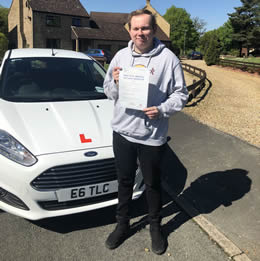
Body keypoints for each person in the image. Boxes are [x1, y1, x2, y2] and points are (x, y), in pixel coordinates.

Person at [103, 8, 189, 255]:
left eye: (145, 28)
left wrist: (162, 110)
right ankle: (122, 225)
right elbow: (108, 90)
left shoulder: (168, 59)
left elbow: (181, 94)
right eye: (136, 28)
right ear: (129, 30)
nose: (140, 33)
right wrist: (117, 83)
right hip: (122, 132)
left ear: (154, 30)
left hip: (152, 136)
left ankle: (155, 228)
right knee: (125, 181)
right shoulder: (119, 56)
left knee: (152, 185)